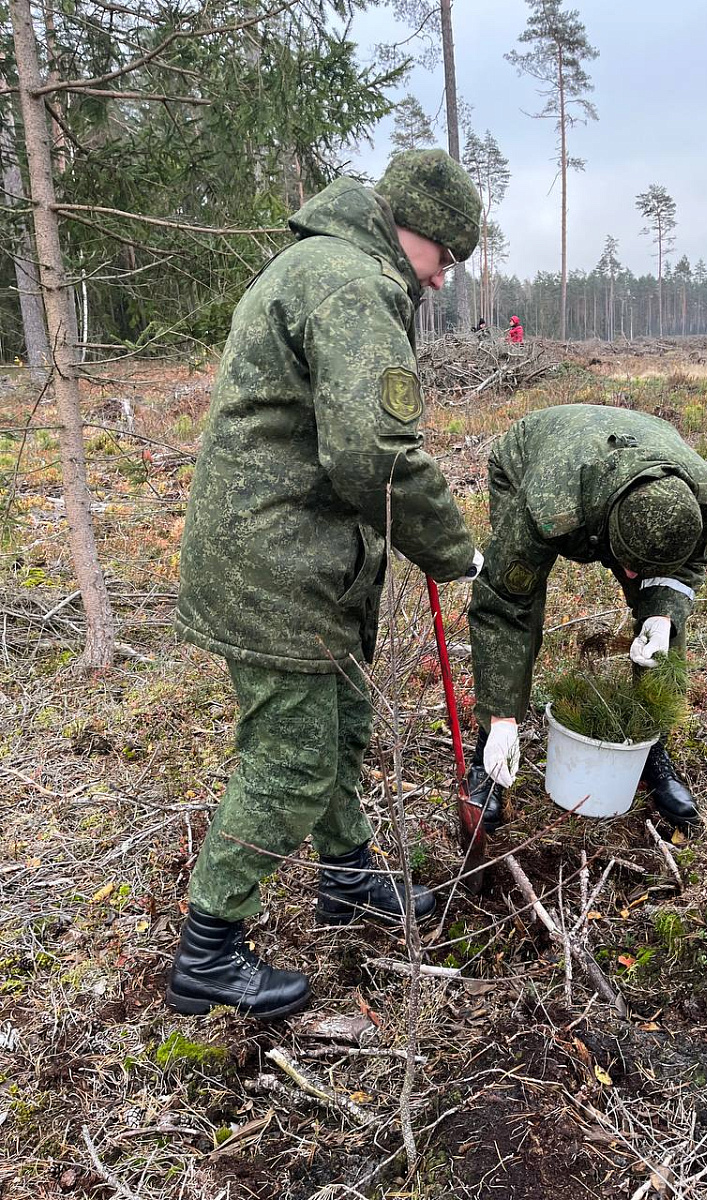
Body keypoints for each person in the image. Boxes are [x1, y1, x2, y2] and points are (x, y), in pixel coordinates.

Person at [167, 149, 483, 1019]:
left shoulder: (327, 263)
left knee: (341, 723)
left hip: (290, 554)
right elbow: (371, 453)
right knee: (292, 760)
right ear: (413, 228)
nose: (442, 277)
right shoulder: (352, 284)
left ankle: (345, 880)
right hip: (277, 566)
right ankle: (206, 952)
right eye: (445, 256)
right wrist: (455, 550)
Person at [465, 403, 707, 835]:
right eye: (628, 565)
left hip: (629, 456)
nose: (630, 578)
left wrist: (661, 615)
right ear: (604, 529)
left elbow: (686, 568)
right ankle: (487, 752)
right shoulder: (550, 503)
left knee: (665, 634)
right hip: (535, 461)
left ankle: (651, 750)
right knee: (521, 595)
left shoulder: (701, 501)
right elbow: (503, 603)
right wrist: (502, 719)